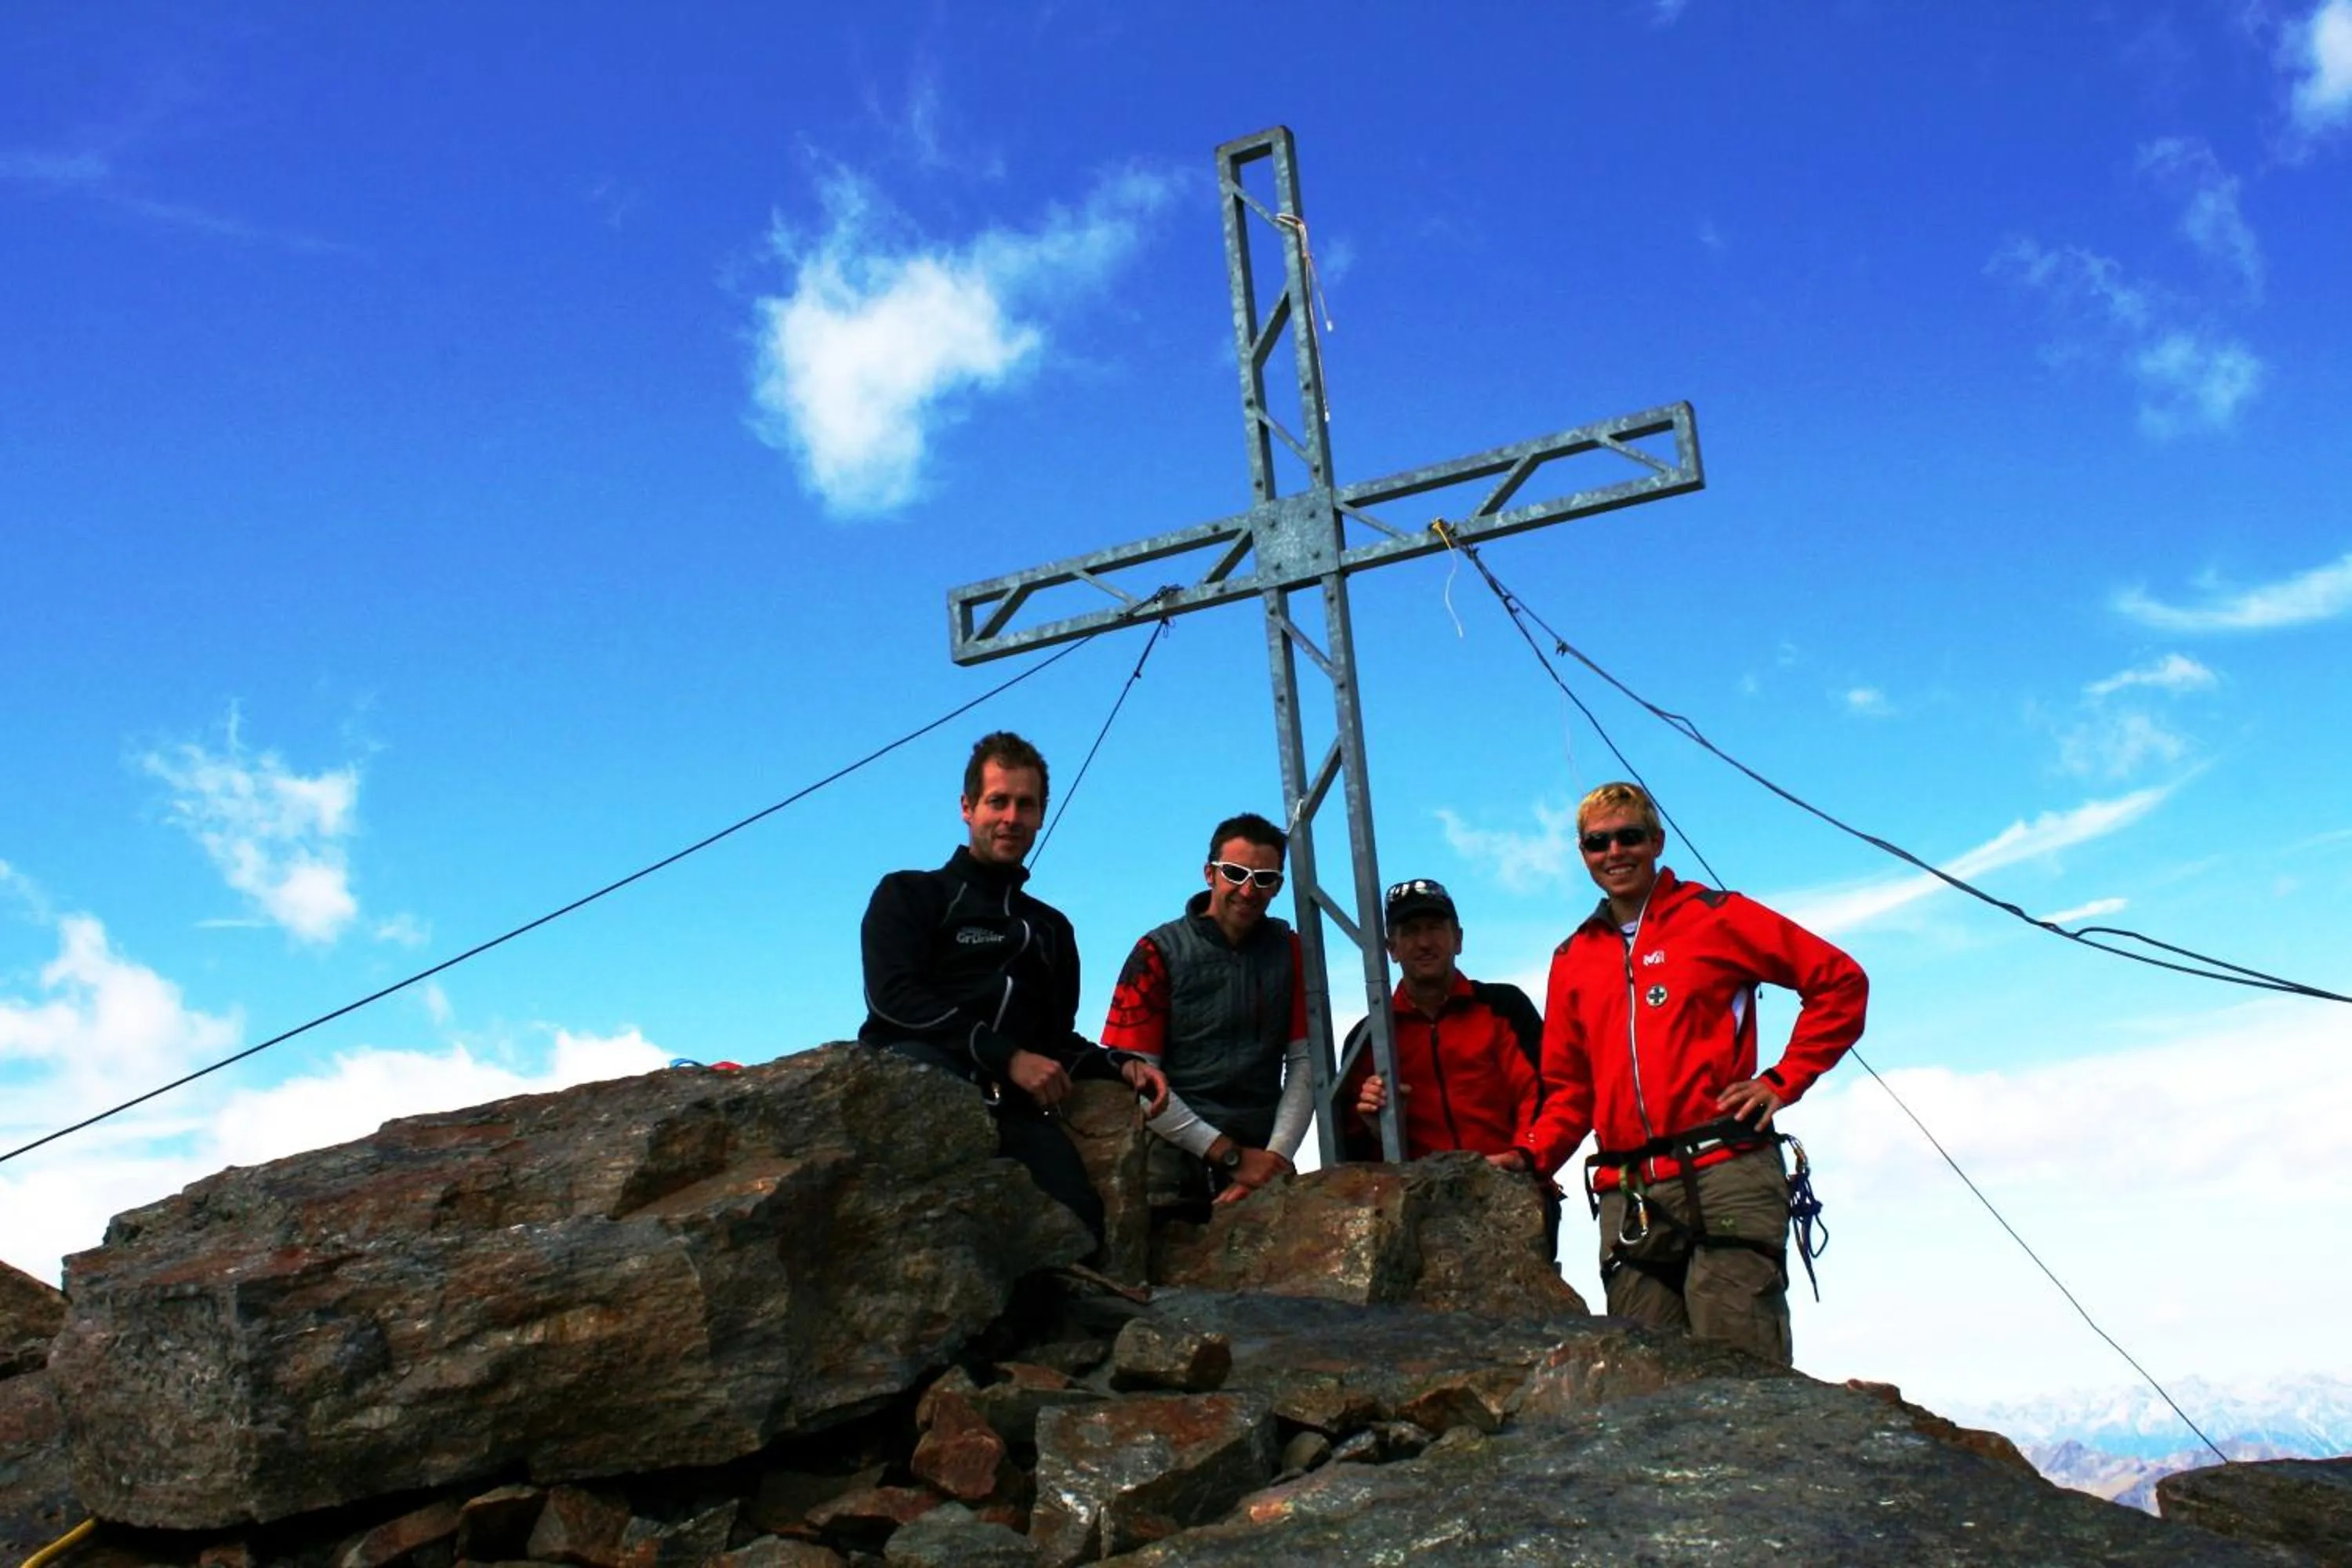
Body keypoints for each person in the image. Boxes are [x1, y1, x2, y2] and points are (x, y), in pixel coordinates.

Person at [1528, 781, 1867, 1366]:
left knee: (1743, 1376)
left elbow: (1839, 981)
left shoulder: (1717, 917)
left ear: (1657, 841)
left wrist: (1783, 1081)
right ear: (1582, 855)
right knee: (1646, 1391)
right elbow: (1569, 1089)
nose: (1614, 853)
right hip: (1628, 1190)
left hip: (1724, 1173)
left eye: (1629, 837)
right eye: (1597, 843)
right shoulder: (1572, 958)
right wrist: (1529, 1158)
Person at [858, 731, 1167, 1250]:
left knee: (1078, 1227)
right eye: (997, 801)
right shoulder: (909, 894)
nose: (1011, 818)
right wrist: (1007, 1056)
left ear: (1042, 814)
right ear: (967, 807)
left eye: (1025, 804)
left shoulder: (1051, 929)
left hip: (1009, 1107)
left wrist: (1118, 1066)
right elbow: (893, 999)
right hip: (918, 1084)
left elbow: (1054, 1040)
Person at [1100, 812, 1313, 1221]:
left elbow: (1306, 1063)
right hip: (1171, 1159)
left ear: (1277, 888)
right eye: (1235, 873)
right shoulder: (1155, 952)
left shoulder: (1292, 952)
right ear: (1209, 874)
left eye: (1265, 879)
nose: (1249, 891)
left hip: (1265, 1154)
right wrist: (1232, 1157)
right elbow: (1136, 1079)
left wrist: (1272, 1159)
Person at [1341, 877, 1559, 1255]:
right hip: (1416, 1215)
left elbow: (1542, 1091)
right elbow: (1347, 1150)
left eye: (1435, 928)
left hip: (1511, 1194)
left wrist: (1524, 1158)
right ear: (1391, 948)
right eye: (1410, 931)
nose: (1424, 942)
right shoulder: (1367, 1038)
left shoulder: (1504, 1007)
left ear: (1458, 938)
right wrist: (1375, 1129)